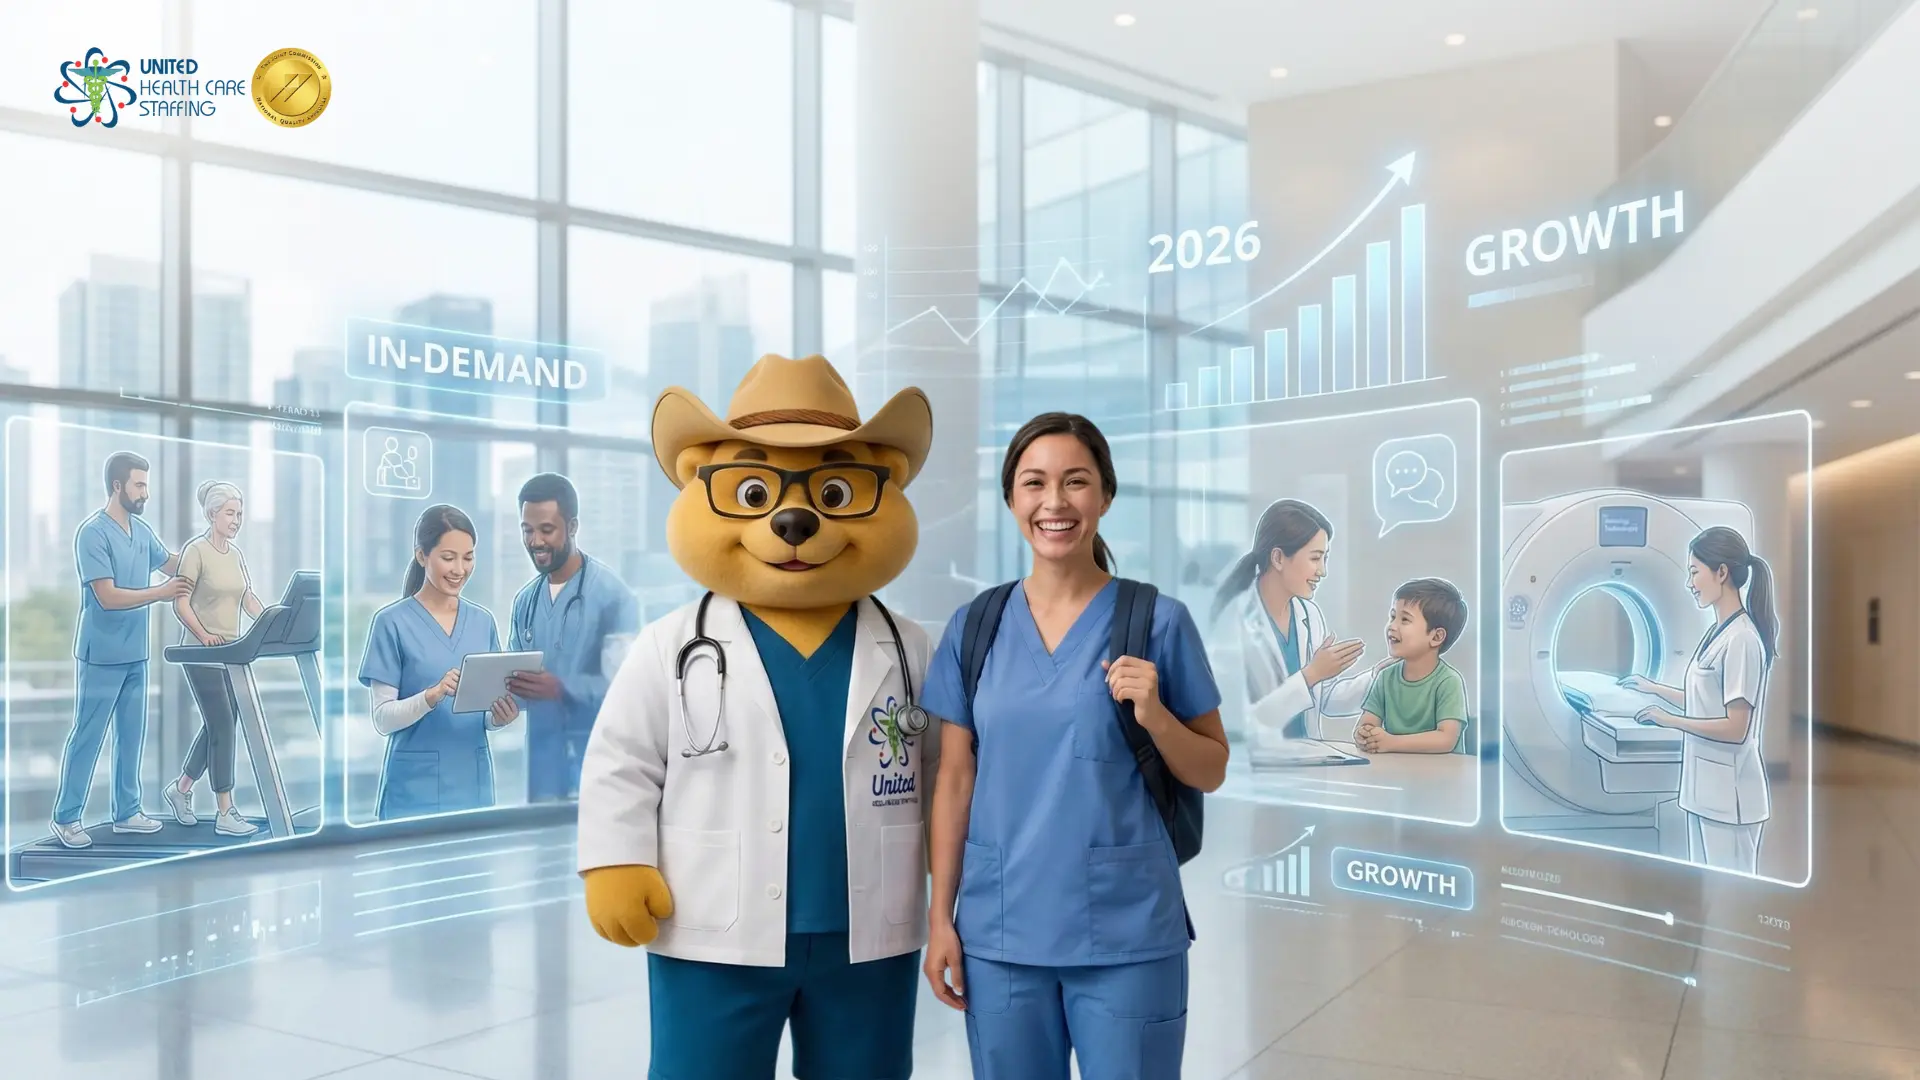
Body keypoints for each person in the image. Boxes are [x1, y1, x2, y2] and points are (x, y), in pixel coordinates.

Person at [576, 353, 938, 1080]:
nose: (795, 517)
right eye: (753, 490)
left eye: (836, 489)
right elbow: (623, 760)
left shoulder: (910, 646)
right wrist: (615, 860)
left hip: (869, 932)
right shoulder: (673, 644)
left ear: (884, 485)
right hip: (714, 927)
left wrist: (967, 888)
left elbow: (947, 777)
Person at [922, 412, 1229, 1080]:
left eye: (1076, 482)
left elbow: (1211, 768)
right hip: (1001, 932)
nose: (1054, 502)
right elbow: (953, 780)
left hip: (1127, 936)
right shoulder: (975, 627)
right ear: (1011, 500)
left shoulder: (1157, 622)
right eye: (1034, 484)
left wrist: (1156, 715)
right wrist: (940, 918)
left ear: (1105, 497)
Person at [50, 452, 189, 849]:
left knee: (132, 736)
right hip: (101, 655)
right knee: (89, 736)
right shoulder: (92, 533)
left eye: (146, 485)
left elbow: (173, 563)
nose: (146, 493)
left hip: (134, 654)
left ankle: (127, 812)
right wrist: (160, 594)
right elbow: (107, 597)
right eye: (139, 485)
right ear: (117, 486)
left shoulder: (142, 532)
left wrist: (208, 554)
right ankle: (66, 817)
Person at [1622, 526, 1778, 873]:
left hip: (1732, 799)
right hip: (1704, 794)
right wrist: (1652, 687)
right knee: (1707, 894)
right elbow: (1704, 700)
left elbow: (1736, 727)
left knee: (1731, 899)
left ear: (1721, 573)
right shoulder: (1716, 632)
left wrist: (1669, 719)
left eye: (1694, 572)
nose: (1689, 583)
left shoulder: (1742, 640)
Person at [358, 504, 520, 821]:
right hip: (413, 791)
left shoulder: (482, 621)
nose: (459, 569)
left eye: (468, 557)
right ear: (422, 556)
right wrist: (431, 696)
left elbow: (482, 714)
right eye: (448, 557)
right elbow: (382, 719)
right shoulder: (391, 623)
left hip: (473, 786)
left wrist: (499, 718)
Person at [507, 473, 639, 803]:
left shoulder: (613, 595)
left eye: (547, 530)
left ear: (573, 526)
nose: (535, 541)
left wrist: (563, 687)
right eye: (528, 530)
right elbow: (515, 681)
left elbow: (629, 688)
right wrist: (500, 698)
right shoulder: (525, 602)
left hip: (598, 765)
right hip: (541, 771)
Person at [1212, 499, 1374, 746]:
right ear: (1278, 558)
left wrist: (1380, 678)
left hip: (1306, 764)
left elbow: (1325, 697)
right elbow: (1238, 724)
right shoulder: (1233, 621)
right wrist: (1312, 674)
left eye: (1325, 559)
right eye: (1315, 558)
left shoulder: (1309, 615)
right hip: (1258, 768)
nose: (1323, 571)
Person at [162, 480, 265, 836]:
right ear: (212, 514)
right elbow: (181, 602)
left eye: (240, 513)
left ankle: (181, 789)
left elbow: (247, 597)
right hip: (199, 651)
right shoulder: (196, 551)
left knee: (220, 723)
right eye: (230, 513)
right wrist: (204, 634)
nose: (237, 520)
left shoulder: (235, 555)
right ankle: (226, 811)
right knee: (222, 723)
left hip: (230, 653)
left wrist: (270, 620)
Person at [1352, 578, 1470, 755]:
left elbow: (1446, 739)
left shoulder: (1448, 681)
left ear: (1436, 637)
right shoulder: (1386, 678)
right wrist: (1365, 734)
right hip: (1398, 772)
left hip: (1442, 776)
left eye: (1404, 619)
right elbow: (1367, 722)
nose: (1392, 626)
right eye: (1392, 617)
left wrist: (1391, 742)